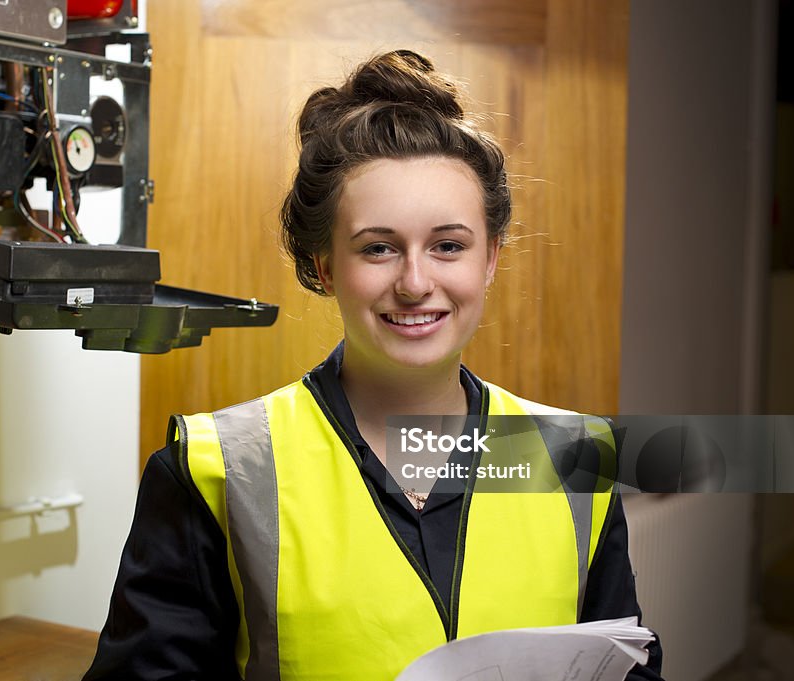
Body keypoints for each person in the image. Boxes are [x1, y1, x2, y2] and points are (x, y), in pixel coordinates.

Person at [83, 50, 663, 681]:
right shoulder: (214, 471)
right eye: (379, 248)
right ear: (327, 266)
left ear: (490, 257)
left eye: (448, 246)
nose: (416, 283)